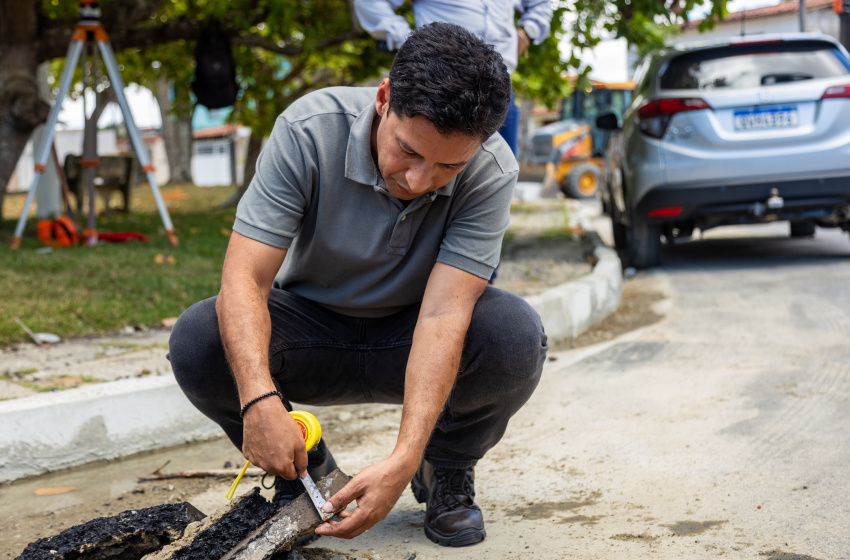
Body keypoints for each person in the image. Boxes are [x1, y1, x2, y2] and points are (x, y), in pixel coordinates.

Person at [168, 23, 547, 548]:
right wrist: (258, 401)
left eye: (447, 166)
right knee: (197, 339)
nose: (419, 181)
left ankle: (446, 467)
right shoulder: (307, 130)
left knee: (514, 336)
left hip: (410, 335)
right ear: (384, 99)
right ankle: (306, 474)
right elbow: (245, 277)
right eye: (409, 151)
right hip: (307, 330)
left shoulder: (490, 170)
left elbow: (444, 315)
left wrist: (404, 457)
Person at [353, 0, 553, 156]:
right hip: (440, 83)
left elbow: (540, 5)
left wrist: (526, 34)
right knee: (435, 172)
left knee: (500, 174)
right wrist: (410, 40)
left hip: (500, 85)